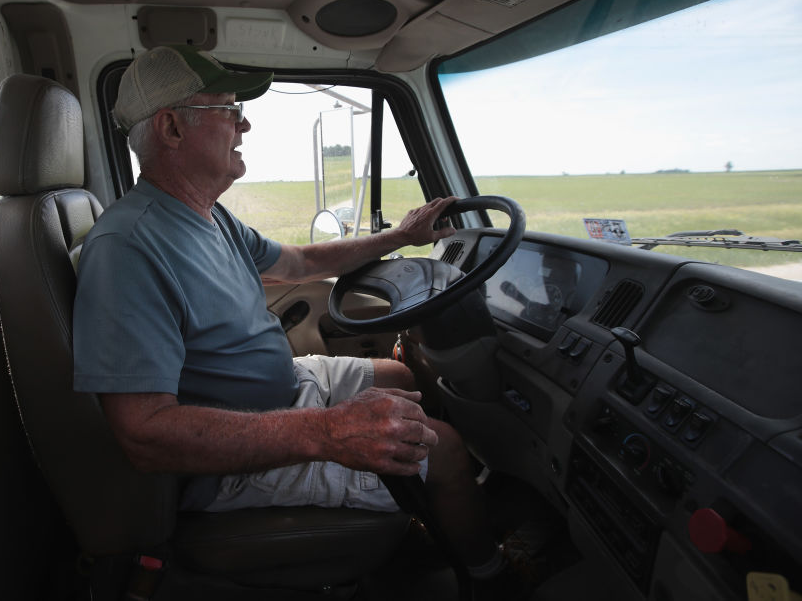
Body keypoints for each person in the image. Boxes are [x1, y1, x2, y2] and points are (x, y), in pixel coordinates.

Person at [73, 45, 514, 594]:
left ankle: (435, 515)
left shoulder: (203, 215)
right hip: (228, 463)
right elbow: (144, 435)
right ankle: (491, 575)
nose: (245, 123)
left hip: (280, 392)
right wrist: (325, 432)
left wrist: (401, 237)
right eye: (230, 110)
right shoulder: (129, 248)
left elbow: (301, 263)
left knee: (402, 375)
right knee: (443, 447)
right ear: (172, 129)